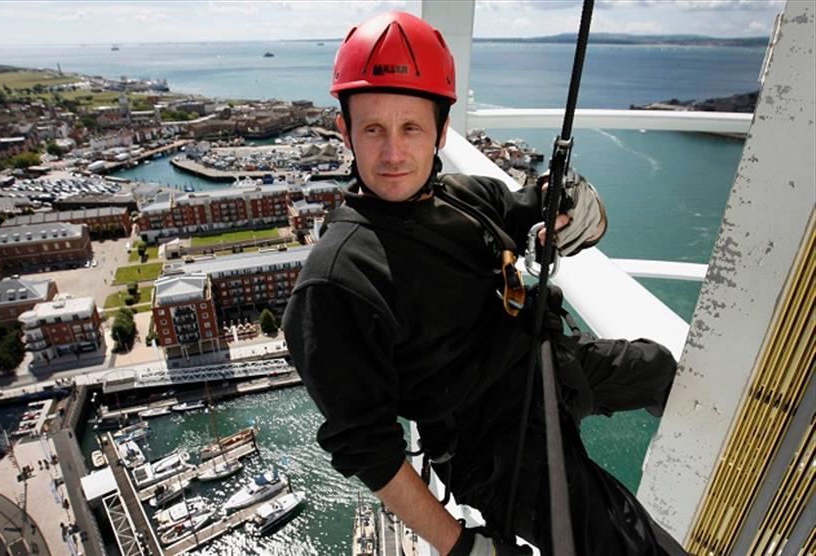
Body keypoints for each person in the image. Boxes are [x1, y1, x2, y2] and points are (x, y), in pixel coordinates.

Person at [282, 11, 686, 556]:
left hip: (546, 362)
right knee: (628, 544)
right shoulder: (335, 285)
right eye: (373, 128)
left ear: (440, 131)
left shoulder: (463, 197)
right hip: (495, 447)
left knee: (661, 368)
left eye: (411, 128)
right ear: (344, 131)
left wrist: (572, 207)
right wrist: (462, 546)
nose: (393, 153)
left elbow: (536, 209)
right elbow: (369, 448)